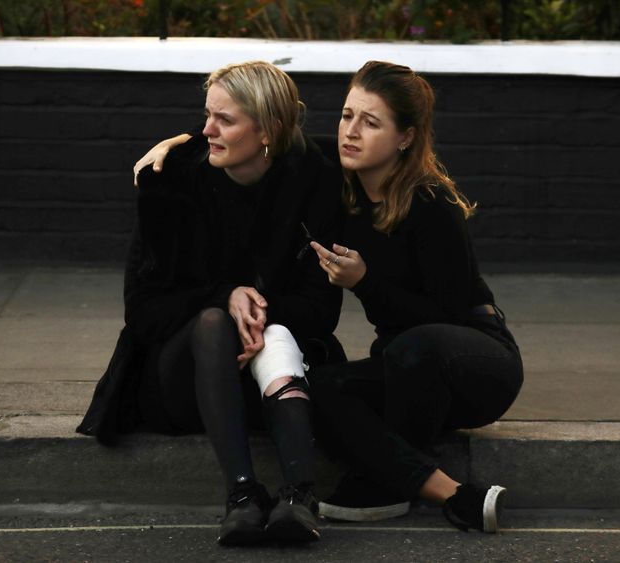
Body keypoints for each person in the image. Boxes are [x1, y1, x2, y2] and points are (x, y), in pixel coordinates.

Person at [134, 60, 524, 534]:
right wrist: (179, 146)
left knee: (415, 345)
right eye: (346, 116)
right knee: (320, 385)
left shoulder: (431, 205)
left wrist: (364, 283)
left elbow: (446, 314)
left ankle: (385, 481)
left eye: (370, 122)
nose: (351, 133)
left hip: (475, 362)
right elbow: (262, 137)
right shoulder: (341, 180)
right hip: (404, 371)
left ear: (404, 138)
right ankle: (452, 494)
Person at [77, 61, 344, 546]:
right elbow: (142, 312)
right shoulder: (171, 179)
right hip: (182, 380)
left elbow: (322, 311)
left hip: (271, 375)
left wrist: (259, 313)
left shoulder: (314, 180)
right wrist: (226, 297)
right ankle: (242, 495)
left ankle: (297, 497)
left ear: (269, 131)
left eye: (225, 119)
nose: (206, 130)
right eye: (207, 115)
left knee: (278, 332)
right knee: (212, 322)